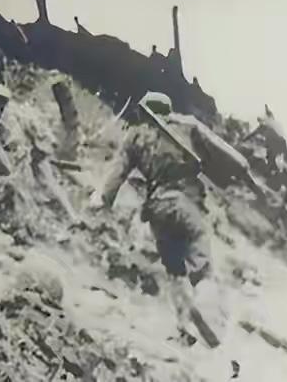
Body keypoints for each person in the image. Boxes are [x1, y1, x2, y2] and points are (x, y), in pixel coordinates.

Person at [91, 92, 217, 344]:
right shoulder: (184, 133)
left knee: (175, 272)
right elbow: (213, 166)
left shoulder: (136, 137)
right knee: (202, 265)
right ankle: (201, 307)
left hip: (158, 209)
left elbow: (117, 174)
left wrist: (102, 202)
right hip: (186, 206)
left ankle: (183, 328)